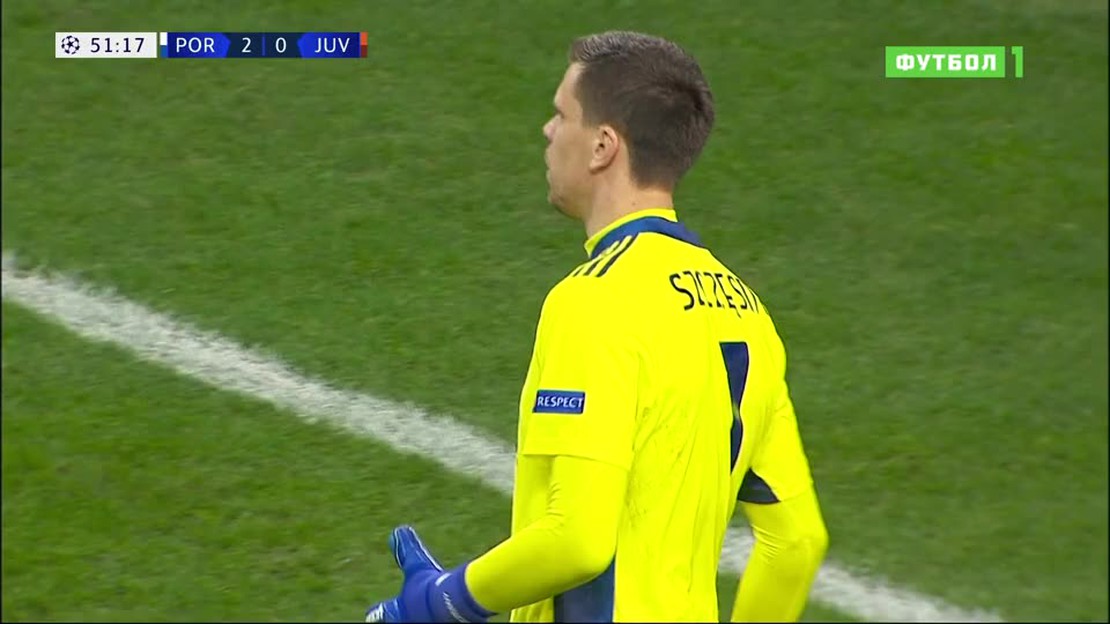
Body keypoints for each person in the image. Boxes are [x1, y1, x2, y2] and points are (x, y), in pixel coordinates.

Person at [365, 30, 829, 623]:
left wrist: (438, 601)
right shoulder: (749, 313)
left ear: (603, 146)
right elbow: (796, 543)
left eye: (562, 114)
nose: (548, 130)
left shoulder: (595, 300)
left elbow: (578, 539)